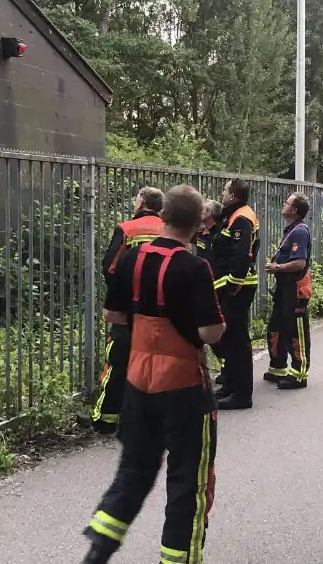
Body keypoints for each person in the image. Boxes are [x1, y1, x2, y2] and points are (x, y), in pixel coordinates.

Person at [81, 185, 225, 564]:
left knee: (134, 468)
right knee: (187, 481)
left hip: (137, 383)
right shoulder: (195, 268)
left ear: (162, 218)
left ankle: (100, 544)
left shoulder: (132, 260)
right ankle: (178, 559)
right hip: (184, 387)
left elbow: (114, 315)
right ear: (197, 224)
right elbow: (211, 333)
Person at [86, 186, 165, 434]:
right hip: (163, 310)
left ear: (140, 202)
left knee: (118, 360)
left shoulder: (128, 229)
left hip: (130, 309)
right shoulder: (169, 230)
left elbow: (110, 266)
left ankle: (107, 418)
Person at [210, 179, 260, 410]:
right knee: (229, 339)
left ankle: (241, 394)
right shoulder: (233, 216)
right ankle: (230, 386)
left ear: (233, 195)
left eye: (225, 190)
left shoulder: (241, 218)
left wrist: (231, 286)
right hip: (230, 287)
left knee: (238, 341)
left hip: (238, 288)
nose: (222, 193)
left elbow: (240, 257)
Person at [263, 192, 313, 389]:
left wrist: (278, 268)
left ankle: (299, 374)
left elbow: (299, 263)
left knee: (295, 332)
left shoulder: (300, 231)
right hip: (284, 288)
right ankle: (278, 368)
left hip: (296, 289)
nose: (284, 204)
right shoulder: (291, 230)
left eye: (287, 203)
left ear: (294, 210)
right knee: (276, 327)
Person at [196, 199, 225, 383]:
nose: (200, 212)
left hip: (218, 286)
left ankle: (226, 367)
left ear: (211, 214)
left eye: (204, 209)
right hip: (204, 286)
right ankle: (224, 366)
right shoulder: (201, 233)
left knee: (217, 329)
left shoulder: (220, 235)